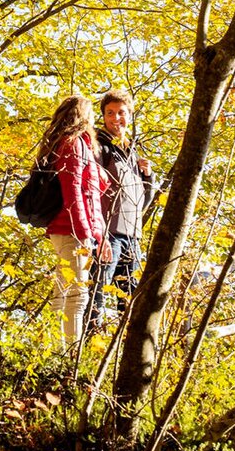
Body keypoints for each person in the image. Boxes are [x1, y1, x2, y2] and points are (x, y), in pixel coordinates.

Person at [39, 95, 112, 345]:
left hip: (69, 229)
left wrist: (99, 235)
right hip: (71, 230)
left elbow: (89, 193)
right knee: (76, 296)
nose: (94, 120)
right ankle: (69, 354)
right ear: (83, 116)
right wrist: (86, 233)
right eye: (91, 114)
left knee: (65, 292)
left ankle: (57, 350)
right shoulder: (73, 144)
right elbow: (73, 194)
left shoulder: (77, 145)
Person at [90, 90, 155, 329]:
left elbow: (141, 202)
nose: (115, 118)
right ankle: (89, 343)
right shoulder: (100, 147)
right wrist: (101, 233)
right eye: (110, 113)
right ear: (103, 116)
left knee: (129, 296)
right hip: (108, 234)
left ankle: (124, 348)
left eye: (121, 112)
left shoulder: (132, 151)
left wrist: (148, 177)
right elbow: (91, 190)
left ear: (130, 114)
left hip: (132, 235)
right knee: (99, 288)